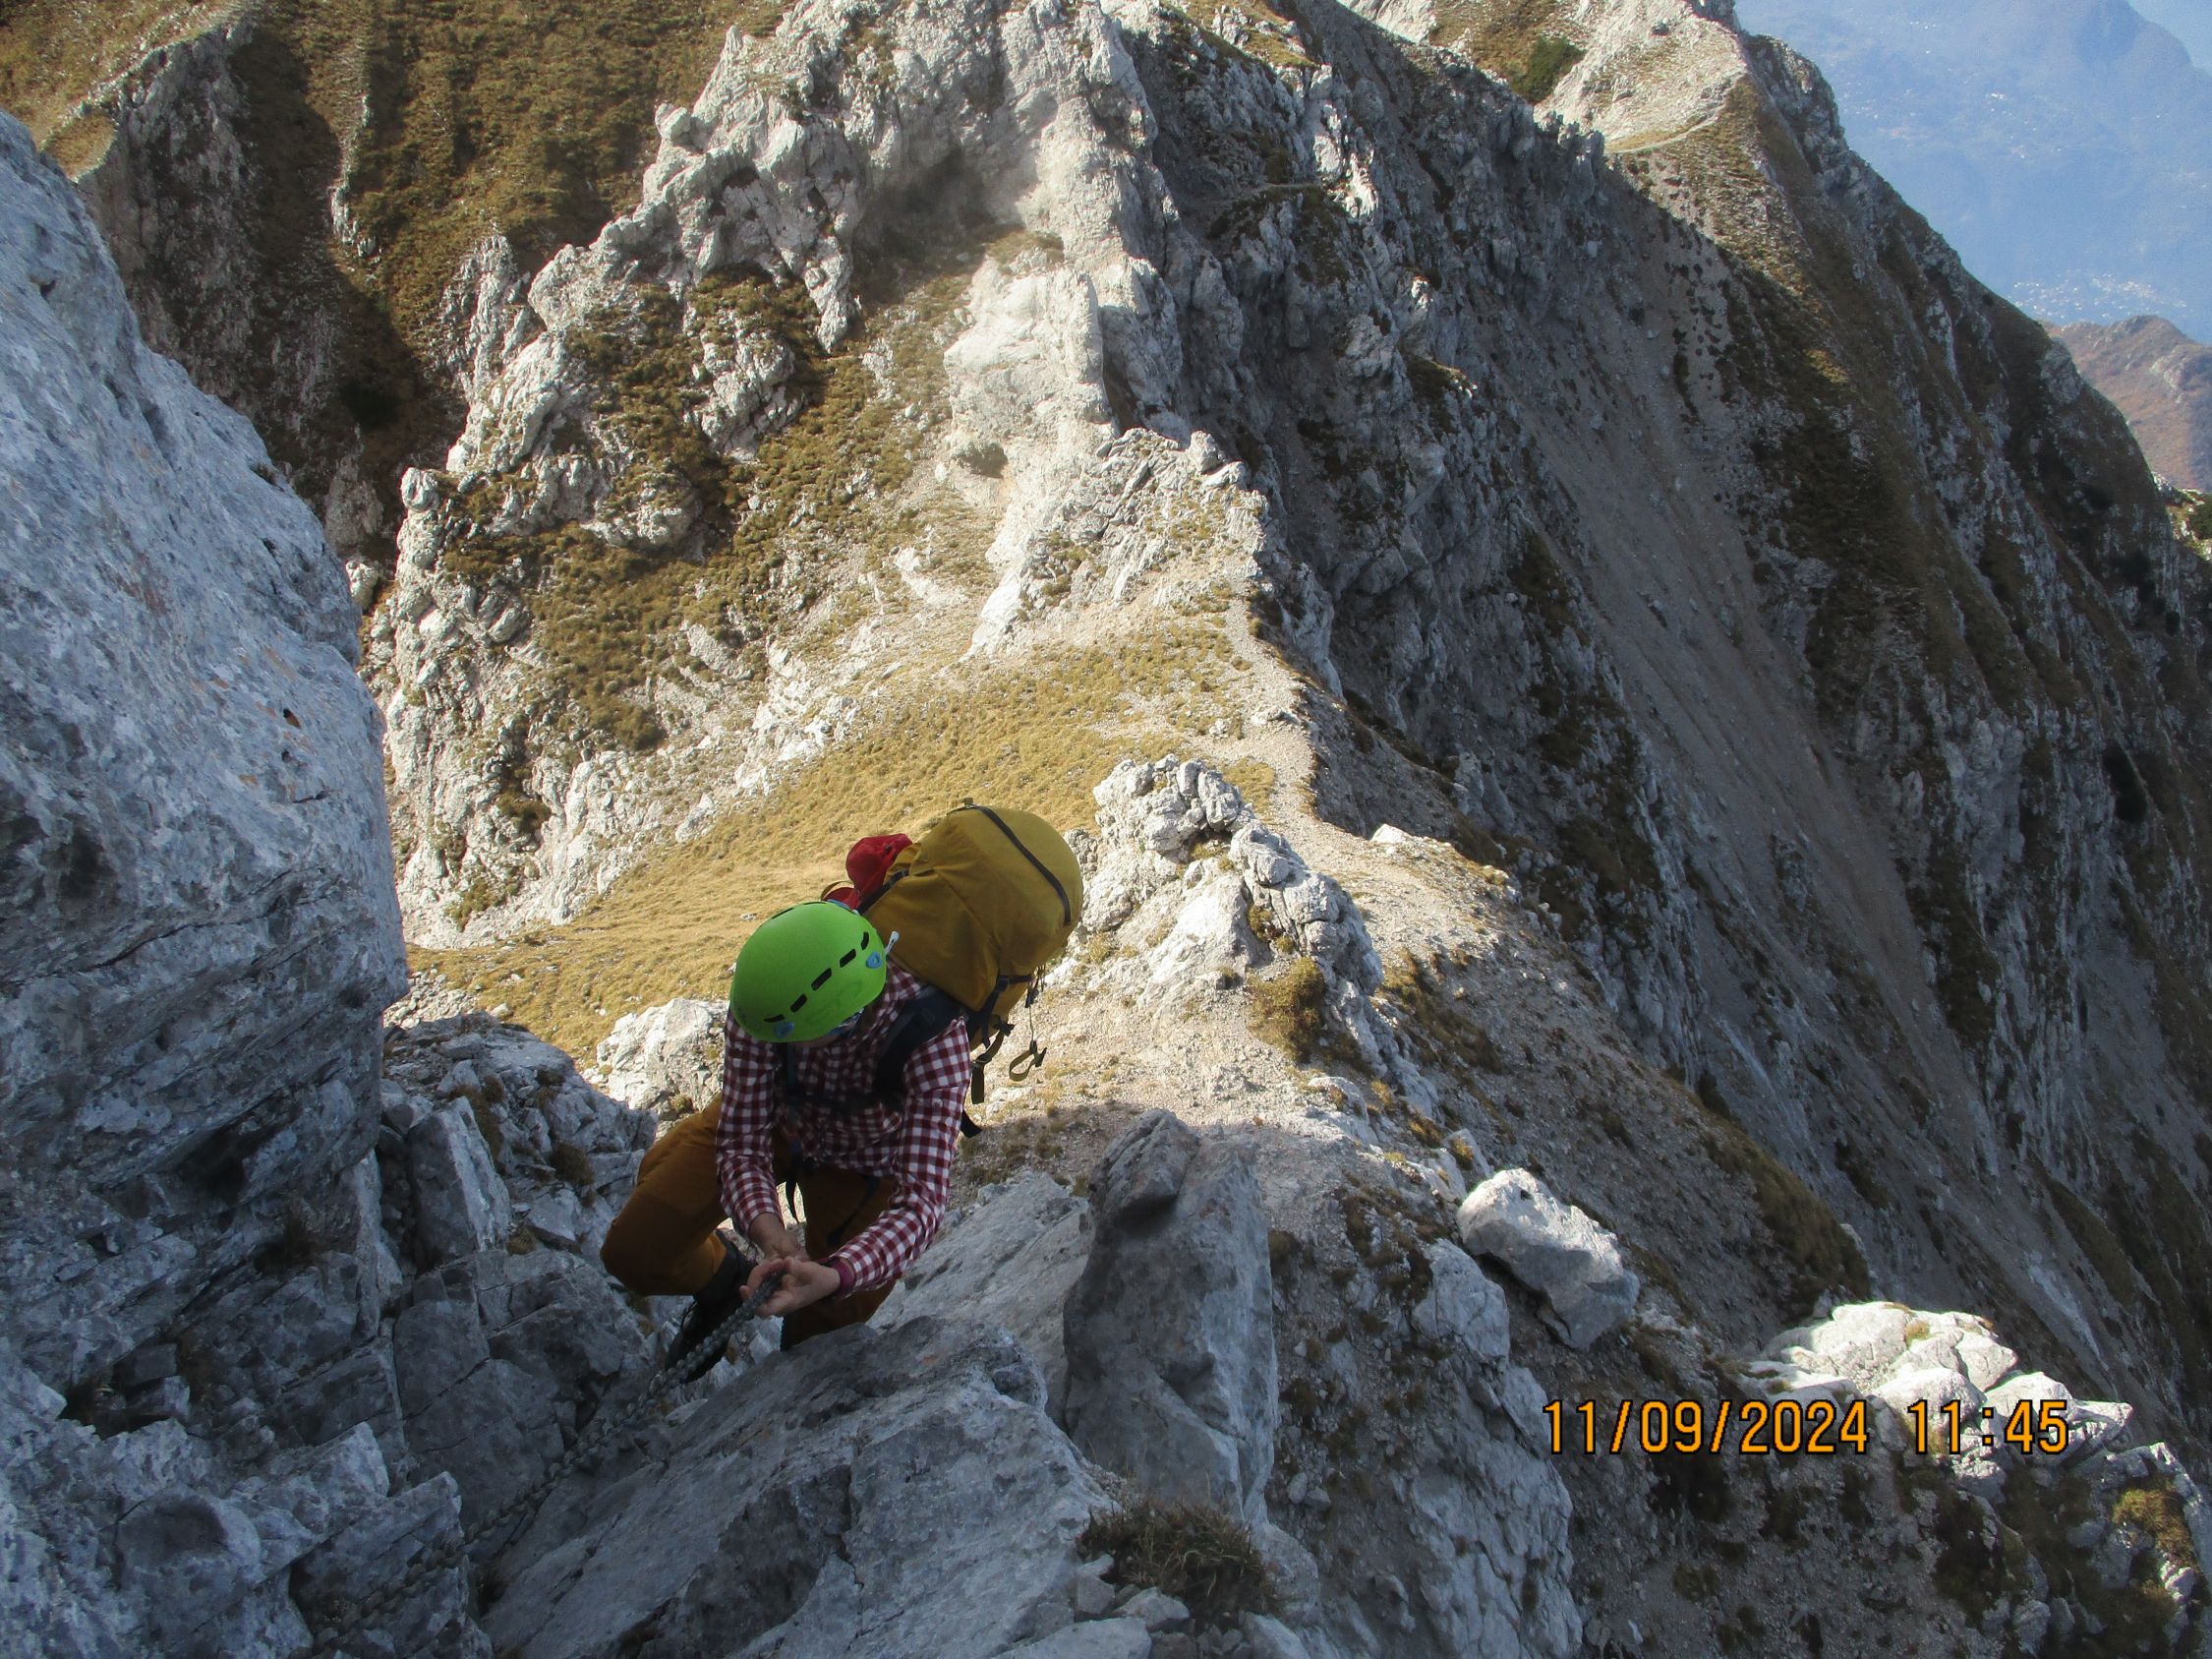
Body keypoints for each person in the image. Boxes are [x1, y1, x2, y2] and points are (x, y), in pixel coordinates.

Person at [597, 900, 971, 1352]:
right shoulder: (768, 1008)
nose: (773, 1043)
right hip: (778, 1119)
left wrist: (837, 1274)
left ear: (846, 1021)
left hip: (866, 1161)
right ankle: (721, 1282)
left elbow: (922, 1202)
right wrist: (771, 1235)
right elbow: (741, 1142)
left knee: (821, 1332)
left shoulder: (935, 1040)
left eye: (797, 1038)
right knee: (636, 1249)